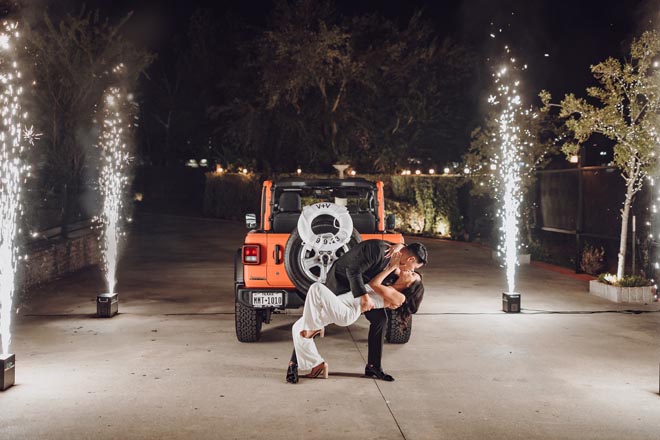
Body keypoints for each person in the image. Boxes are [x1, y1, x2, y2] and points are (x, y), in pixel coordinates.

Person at [286, 240, 427, 383]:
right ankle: (305, 363)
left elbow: (379, 284)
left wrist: (391, 267)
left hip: (356, 300)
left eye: (413, 272)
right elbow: (353, 271)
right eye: (414, 268)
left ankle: (374, 366)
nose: (412, 271)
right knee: (301, 324)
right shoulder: (378, 250)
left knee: (380, 319)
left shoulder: (398, 279)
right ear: (411, 259)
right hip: (342, 283)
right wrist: (398, 251)